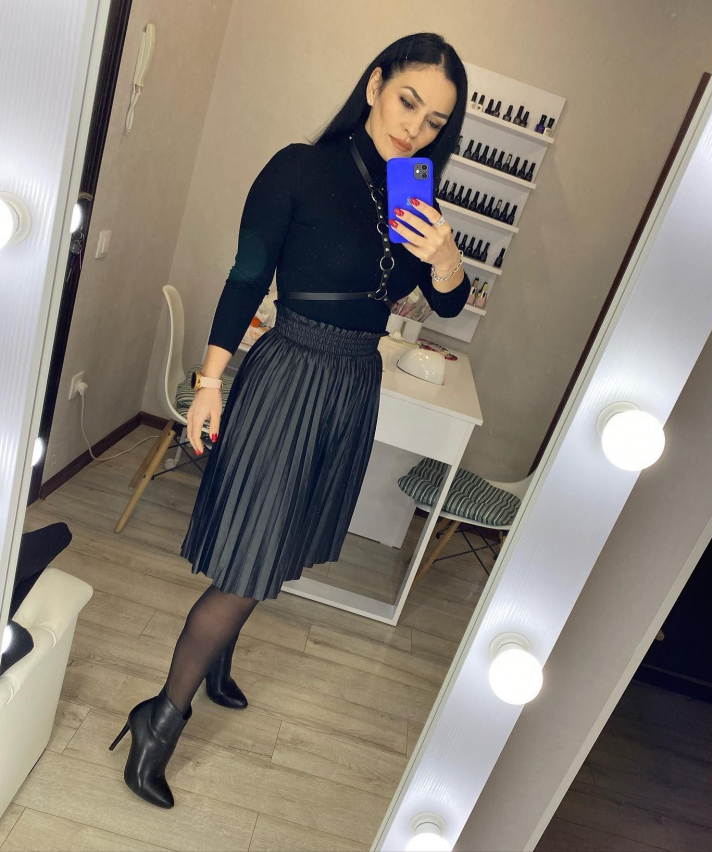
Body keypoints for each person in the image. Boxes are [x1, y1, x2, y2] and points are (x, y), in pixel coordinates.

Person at [109, 31, 471, 809]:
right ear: (374, 85)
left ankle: (219, 661)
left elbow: (441, 303)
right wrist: (211, 382)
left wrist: (447, 261)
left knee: (286, 536)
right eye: (407, 102)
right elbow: (246, 276)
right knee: (251, 557)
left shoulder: (414, 196)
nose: (415, 128)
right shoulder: (300, 168)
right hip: (290, 373)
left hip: (353, 383)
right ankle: (159, 718)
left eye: (435, 121)